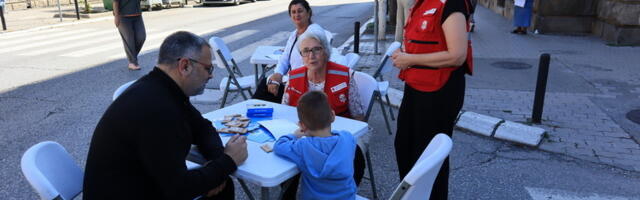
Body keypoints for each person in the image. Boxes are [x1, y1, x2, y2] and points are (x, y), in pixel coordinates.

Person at [83, 31, 248, 200]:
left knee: (222, 185)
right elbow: (178, 189)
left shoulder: (162, 88)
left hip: (141, 185)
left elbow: (202, 127)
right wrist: (228, 161)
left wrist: (217, 159)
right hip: (128, 192)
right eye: (208, 68)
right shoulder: (158, 109)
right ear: (185, 66)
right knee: (221, 189)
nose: (211, 75)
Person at [391, 0, 473, 199]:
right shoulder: (422, 3)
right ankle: (413, 196)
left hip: (439, 92)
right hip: (416, 88)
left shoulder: (451, 4)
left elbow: (457, 55)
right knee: (405, 147)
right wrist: (405, 55)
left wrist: (410, 59)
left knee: (429, 158)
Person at [280, 26, 366, 198]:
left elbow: (358, 116)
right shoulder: (293, 78)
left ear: (325, 51)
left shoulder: (345, 75)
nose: (311, 56)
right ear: (301, 56)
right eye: (306, 51)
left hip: (339, 136)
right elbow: (284, 111)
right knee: (289, 164)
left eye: (316, 49)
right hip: (305, 135)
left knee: (357, 157)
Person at [274, 91, 357, 199]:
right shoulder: (347, 138)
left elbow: (279, 146)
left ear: (302, 126)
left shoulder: (303, 146)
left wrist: (294, 135)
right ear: (332, 115)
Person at [252, 0, 325, 103]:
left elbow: (314, 63)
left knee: (265, 87)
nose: (297, 15)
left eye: (300, 11)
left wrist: (286, 80)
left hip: (306, 85)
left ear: (308, 13)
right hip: (294, 80)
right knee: (268, 83)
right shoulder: (294, 34)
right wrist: (278, 74)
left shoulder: (314, 32)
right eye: (293, 12)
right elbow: (285, 57)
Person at [113, 0, 146, 70]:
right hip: (123, 16)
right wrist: (116, 16)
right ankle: (132, 62)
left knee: (142, 37)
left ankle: (132, 56)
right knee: (129, 40)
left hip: (137, 15)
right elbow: (115, 2)